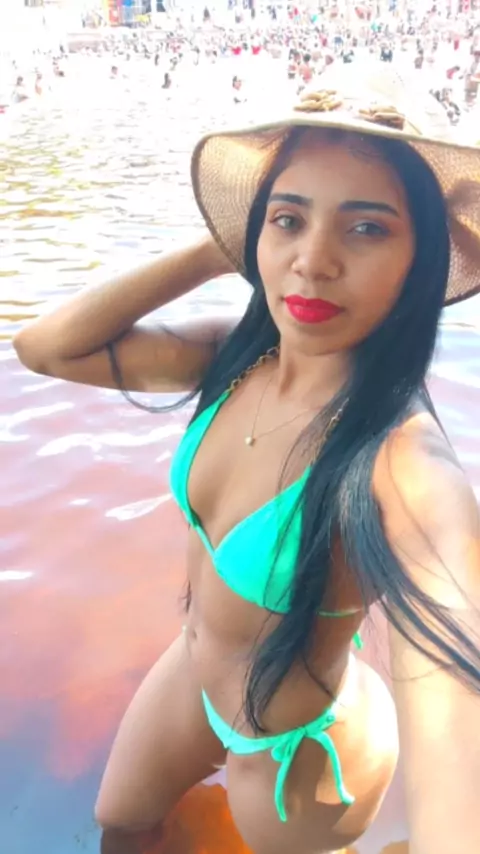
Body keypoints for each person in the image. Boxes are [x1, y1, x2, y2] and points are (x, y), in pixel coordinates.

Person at [13, 65, 480, 854]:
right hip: (192, 673)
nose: (313, 261)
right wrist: (220, 246)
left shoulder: (406, 463)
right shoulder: (230, 358)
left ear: (421, 262)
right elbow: (45, 348)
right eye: (289, 219)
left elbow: (457, 726)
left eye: (366, 229)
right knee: (122, 828)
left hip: (301, 751)